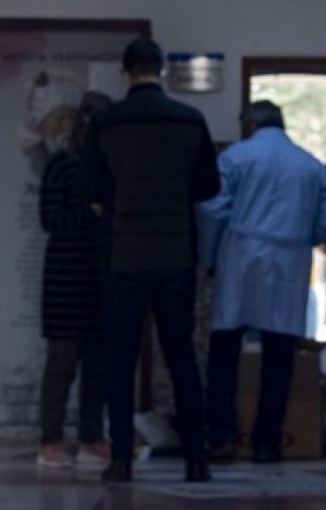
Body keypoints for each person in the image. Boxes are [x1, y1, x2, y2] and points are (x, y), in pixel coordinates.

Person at [84, 39, 221, 484]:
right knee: (181, 356)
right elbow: (208, 187)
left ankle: (121, 460)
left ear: (126, 74)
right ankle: (196, 461)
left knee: (121, 359)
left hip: (122, 256)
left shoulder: (106, 123)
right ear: (160, 71)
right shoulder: (190, 120)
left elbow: (92, 189)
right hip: (176, 255)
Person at [199, 101, 326, 463]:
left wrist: (211, 258)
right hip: (290, 259)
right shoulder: (310, 165)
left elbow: (213, 210)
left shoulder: (236, 157)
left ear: (249, 125)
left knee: (225, 349)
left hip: (241, 254)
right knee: (280, 354)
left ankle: (223, 437)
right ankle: (266, 441)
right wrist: (306, 238)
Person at [36, 92, 112, 470]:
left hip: (101, 279)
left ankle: (91, 436)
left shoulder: (114, 166)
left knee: (98, 369)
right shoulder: (61, 165)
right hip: (65, 282)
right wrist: (91, 213)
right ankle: (51, 439)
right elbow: (50, 219)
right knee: (62, 366)